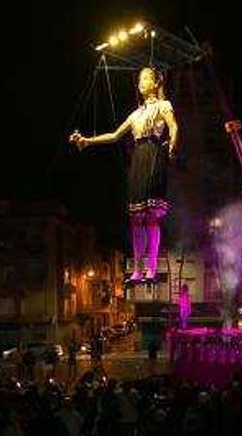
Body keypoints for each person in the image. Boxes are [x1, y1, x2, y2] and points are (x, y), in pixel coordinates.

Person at [70, 67, 179, 284]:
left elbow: (173, 126)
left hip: (153, 153)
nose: (141, 82)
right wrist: (86, 141)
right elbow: (114, 135)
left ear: (156, 83)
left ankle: (151, 268)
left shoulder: (163, 105)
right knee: (135, 218)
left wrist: (172, 145)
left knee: (151, 215)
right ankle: (138, 270)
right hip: (138, 158)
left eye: (146, 78)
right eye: (140, 79)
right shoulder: (135, 114)